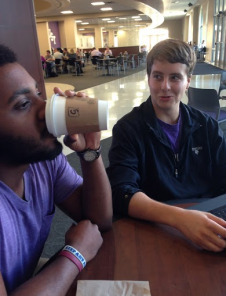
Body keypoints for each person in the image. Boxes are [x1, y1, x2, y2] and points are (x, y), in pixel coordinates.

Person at [0, 44, 112, 295]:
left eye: (39, 94)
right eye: (23, 104)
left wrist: (90, 152)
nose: (45, 109)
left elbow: (98, 221)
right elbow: (86, 241)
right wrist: (75, 254)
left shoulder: (41, 162)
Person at [107, 38, 226, 253]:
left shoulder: (206, 126)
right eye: (158, 76)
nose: (165, 87)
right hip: (154, 222)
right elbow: (121, 192)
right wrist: (181, 219)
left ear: (188, 81)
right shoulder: (128, 129)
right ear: (148, 78)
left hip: (207, 217)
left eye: (175, 78)